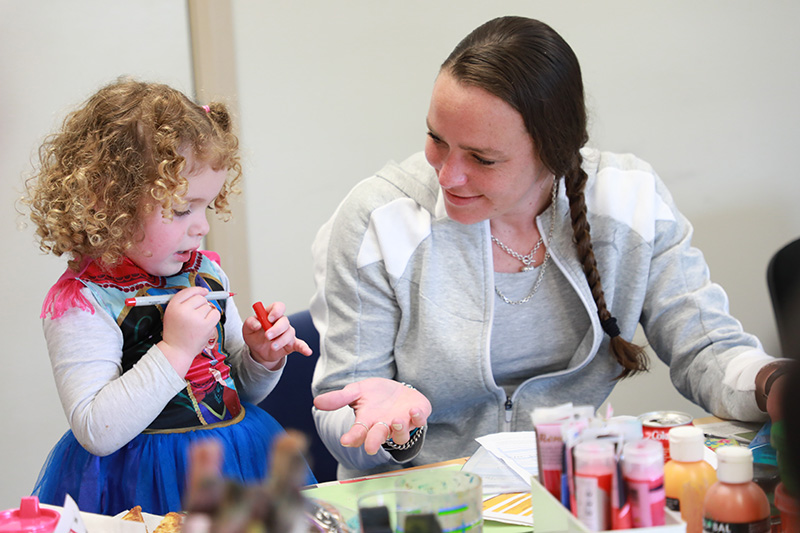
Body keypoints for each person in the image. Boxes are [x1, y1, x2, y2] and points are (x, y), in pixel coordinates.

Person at [310, 16, 791, 479]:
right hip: (427, 500)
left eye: (482, 158)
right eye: (437, 140)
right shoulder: (377, 220)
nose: (448, 175)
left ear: (555, 152)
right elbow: (340, 414)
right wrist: (393, 429)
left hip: (576, 490)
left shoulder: (629, 202)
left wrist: (774, 384)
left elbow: (707, 349)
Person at [23, 79, 315, 515]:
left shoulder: (205, 272)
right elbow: (96, 430)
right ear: (109, 202)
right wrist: (175, 349)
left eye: (207, 207)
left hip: (238, 462)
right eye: (182, 209)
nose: (201, 227)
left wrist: (260, 357)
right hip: (142, 486)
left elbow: (240, 391)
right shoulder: (84, 302)